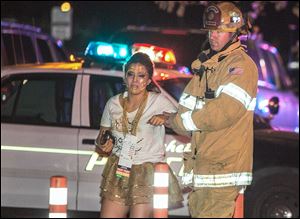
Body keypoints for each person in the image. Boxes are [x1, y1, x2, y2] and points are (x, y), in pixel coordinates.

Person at [164, 2, 258, 218]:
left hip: (223, 167)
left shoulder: (240, 67)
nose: (213, 36)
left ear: (234, 32)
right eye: (210, 31)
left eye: (219, 31)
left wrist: (177, 122)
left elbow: (222, 112)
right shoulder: (208, 65)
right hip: (205, 164)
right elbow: (187, 104)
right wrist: (173, 118)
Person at [95, 52, 183, 218]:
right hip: (120, 169)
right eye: (131, 74)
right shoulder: (113, 103)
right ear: (124, 76)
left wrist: (165, 118)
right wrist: (103, 143)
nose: (135, 80)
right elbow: (102, 137)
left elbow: (181, 122)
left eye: (141, 75)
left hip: (146, 171)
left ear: (149, 80)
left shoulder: (158, 101)